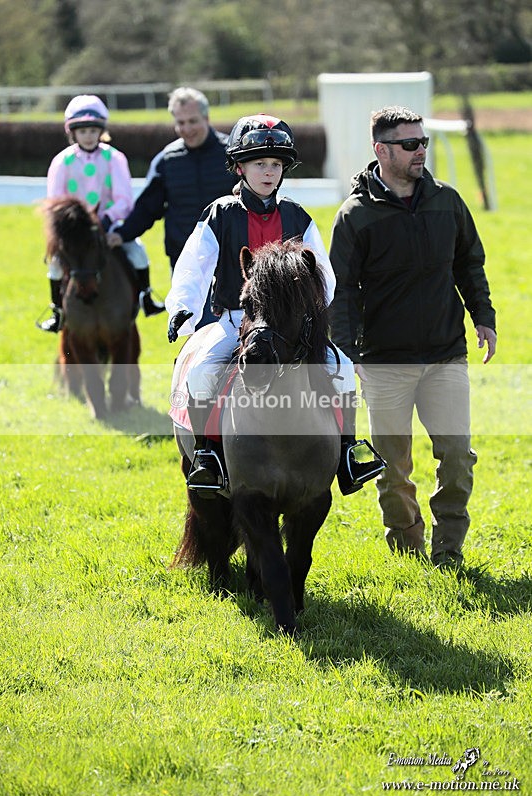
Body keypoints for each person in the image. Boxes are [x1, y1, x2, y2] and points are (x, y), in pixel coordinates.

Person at [165, 114, 385, 494]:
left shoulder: (297, 214)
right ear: (239, 167)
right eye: (259, 164)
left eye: (276, 165)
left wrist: (318, 313)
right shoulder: (221, 213)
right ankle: (208, 456)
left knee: (343, 368)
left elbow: (324, 274)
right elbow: (194, 265)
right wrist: (182, 308)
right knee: (200, 372)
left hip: (290, 324)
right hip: (236, 321)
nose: (268, 172)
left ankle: (348, 452)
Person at [329, 105, 497, 569]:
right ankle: (408, 550)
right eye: (409, 144)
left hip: (446, 356)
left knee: (458, 460)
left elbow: (469, 263)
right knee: (393, 468)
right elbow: (339, 290)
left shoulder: (447, 201)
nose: (420, 150)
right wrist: (346, 352)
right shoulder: (354, 217)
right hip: (384, 363)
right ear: (381, 150)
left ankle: (449, 552)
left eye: (422, 142)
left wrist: (483, 316)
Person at [106, 87, 237, 328]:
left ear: (207, 118)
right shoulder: (167, 160)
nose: (187, 129)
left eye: (193, 121)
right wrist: (122, 234)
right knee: (196, 328)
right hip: (186, 258)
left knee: (231, 327)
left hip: (231, 255)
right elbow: (147, 209)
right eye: (180, 123)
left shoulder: (232, 153)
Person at [40, 94, 164, 333]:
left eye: (92, 130)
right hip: (74, 233)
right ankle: (57, 311)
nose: (88, 135)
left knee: (138, 253)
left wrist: (104, 219)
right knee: (55, 265)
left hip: (107, 226)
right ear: (72, 133)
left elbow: (124, 200)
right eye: (82, 131)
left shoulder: (115, 158)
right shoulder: (61, 162)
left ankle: (146, 298)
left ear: (101, 131)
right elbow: (55, 202)